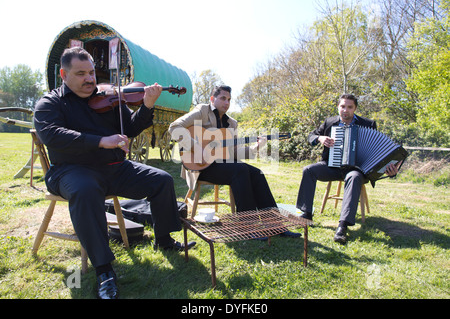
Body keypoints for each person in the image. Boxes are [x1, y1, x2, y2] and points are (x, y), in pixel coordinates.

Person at [33, 47, 195, 299]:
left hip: (113, 169)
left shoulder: (108, 97)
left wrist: (147, 106)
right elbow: (51, 134)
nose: (89, 79)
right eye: (81, 74)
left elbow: (130, 127)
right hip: (71, 171)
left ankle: (163, 238)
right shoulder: (50, 103)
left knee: (161, 180)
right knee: (85, 191)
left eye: (91, 73)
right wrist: (101, 140)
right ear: (64, 74)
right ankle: (104, 270)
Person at [168, 85, 300, 239]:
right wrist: (197, 148)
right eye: (223, 98)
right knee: (240, 170)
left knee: (256, 173)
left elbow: (234, 152)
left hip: (224, 165)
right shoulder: (202, 111)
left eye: (229, 99)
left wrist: (256, 147)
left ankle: (276, 225)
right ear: (213, 99)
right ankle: (248, 228)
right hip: (201, 166)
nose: (227, 102)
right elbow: (175, 127)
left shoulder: (232, 123)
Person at [296, 94, 399, 244]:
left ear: (355, 108)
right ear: (338, 107)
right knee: (308, 170)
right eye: (342, 106)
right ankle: (306, 214)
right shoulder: (330, 122)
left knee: (353, 177)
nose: (345, 110)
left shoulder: (368, 124)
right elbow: (311, 135)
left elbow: (379, 152)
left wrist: (390, 171)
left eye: (349, 107)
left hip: (357, 169)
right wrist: (320, 138)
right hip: (332, 166)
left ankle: (342, 226)